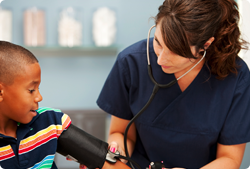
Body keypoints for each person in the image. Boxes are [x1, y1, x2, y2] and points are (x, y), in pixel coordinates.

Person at [96, 0, 250, 168]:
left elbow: (230, 158)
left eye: (175, 51)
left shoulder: (235, 77)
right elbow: (120, 133)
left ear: (205, 44)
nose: (160, 59)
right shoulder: (130, 63)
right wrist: (117, 151)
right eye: (158, 42)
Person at [0, 41, 130, 169]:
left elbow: (110, 165)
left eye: (38, 88)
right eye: (31, 90)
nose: (40, 97)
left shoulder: (50, 122)